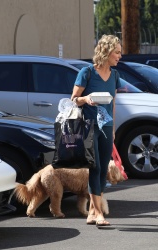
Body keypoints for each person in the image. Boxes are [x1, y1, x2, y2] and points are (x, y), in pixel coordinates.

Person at [71, 34, 122, 228]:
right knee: (96, 167)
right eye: (117, 52)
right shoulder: (87, 73)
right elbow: (74, 98)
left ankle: (92, 212)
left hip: (107, 127)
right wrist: (87, 98)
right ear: (107, 52)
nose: (120, 56)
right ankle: (98, 212)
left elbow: (113, 103)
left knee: (102, 172)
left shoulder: (115, 76)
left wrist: (114, 127)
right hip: (88, 126)